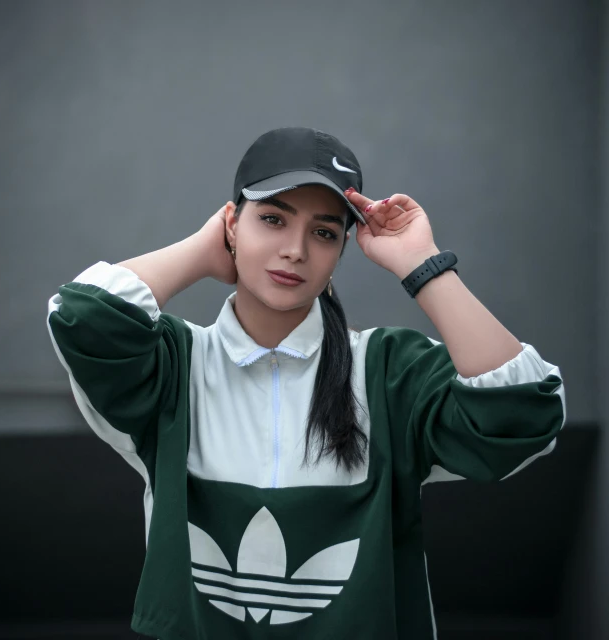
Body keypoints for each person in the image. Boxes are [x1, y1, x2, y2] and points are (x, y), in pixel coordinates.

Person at [46, 127, 567, 640]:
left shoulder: (389, 371)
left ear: (341, 250)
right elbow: (83, 315)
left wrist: (423, 266)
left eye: (323, 232)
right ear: (231, 222)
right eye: (272, 219)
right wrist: (204, 252)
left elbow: (524, 413)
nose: (295, 249)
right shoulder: (175, 366)